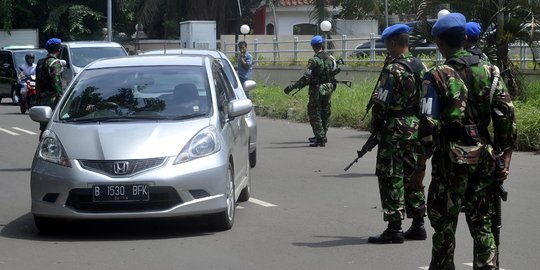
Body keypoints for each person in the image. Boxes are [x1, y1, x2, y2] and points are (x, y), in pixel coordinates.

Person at [417, 13, 516, 270]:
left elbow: (428, 125)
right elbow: (506, 113)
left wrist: (420, 165)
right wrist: (505, 154)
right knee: (482, 221)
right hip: (484, 157)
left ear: (439, 43)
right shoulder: (490, 71)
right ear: (464, 38)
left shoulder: (436, 75)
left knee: (444, 227)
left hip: (449, 160)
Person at [366, 24, 428, 244]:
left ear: (394, 43)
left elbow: (381, 103)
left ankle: (394, 228)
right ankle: (418, 224)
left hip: (395, 128)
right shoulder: (421, 66)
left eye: (387, 45)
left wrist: (375, 127)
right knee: (413, 176)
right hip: (416, 127)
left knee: (391, 175)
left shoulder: (394, 70)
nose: (386, 50)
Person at [283, 35, 336, 147]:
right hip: (328, 88)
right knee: (325, 111)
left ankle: (320, 137)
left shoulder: (314, 60)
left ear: (313, 47)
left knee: (314, 112)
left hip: (316, 89)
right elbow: (334, 72)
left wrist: (293, 86)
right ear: (322, 45)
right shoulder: (331, 58)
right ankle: (322, 135)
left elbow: (306, 77)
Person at [36, 38, 64, 139]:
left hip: (41, 101)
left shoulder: (40, 62)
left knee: (44, 129)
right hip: (52, 101)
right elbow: (57, 84)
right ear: (59, 49)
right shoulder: (54, 63)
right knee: (54, 128)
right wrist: (62, 99)